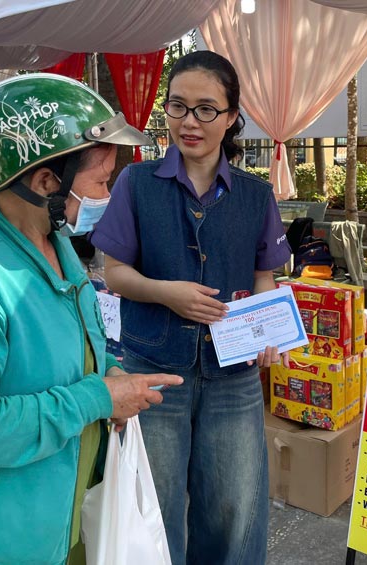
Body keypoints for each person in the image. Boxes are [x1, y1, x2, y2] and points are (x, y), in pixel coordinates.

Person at [0, 74, 184, 565]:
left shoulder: (52, 240)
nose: (108, 195)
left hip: (60, 516)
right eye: (101, 181)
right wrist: (97, 398)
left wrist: (108, 373)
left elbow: (65, 345)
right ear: (46, 182)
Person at [90, 50, 291, 565]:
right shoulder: (137, 184)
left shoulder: (255, 194)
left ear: (231, 117)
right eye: (178, 107)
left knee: (233, 510)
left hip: (233, 376)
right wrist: (167, 292)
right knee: (154, 513)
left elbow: (263, 278)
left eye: (206, 109)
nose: (189, 122)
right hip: (153, 372)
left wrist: (269, 332)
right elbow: (115, 273)